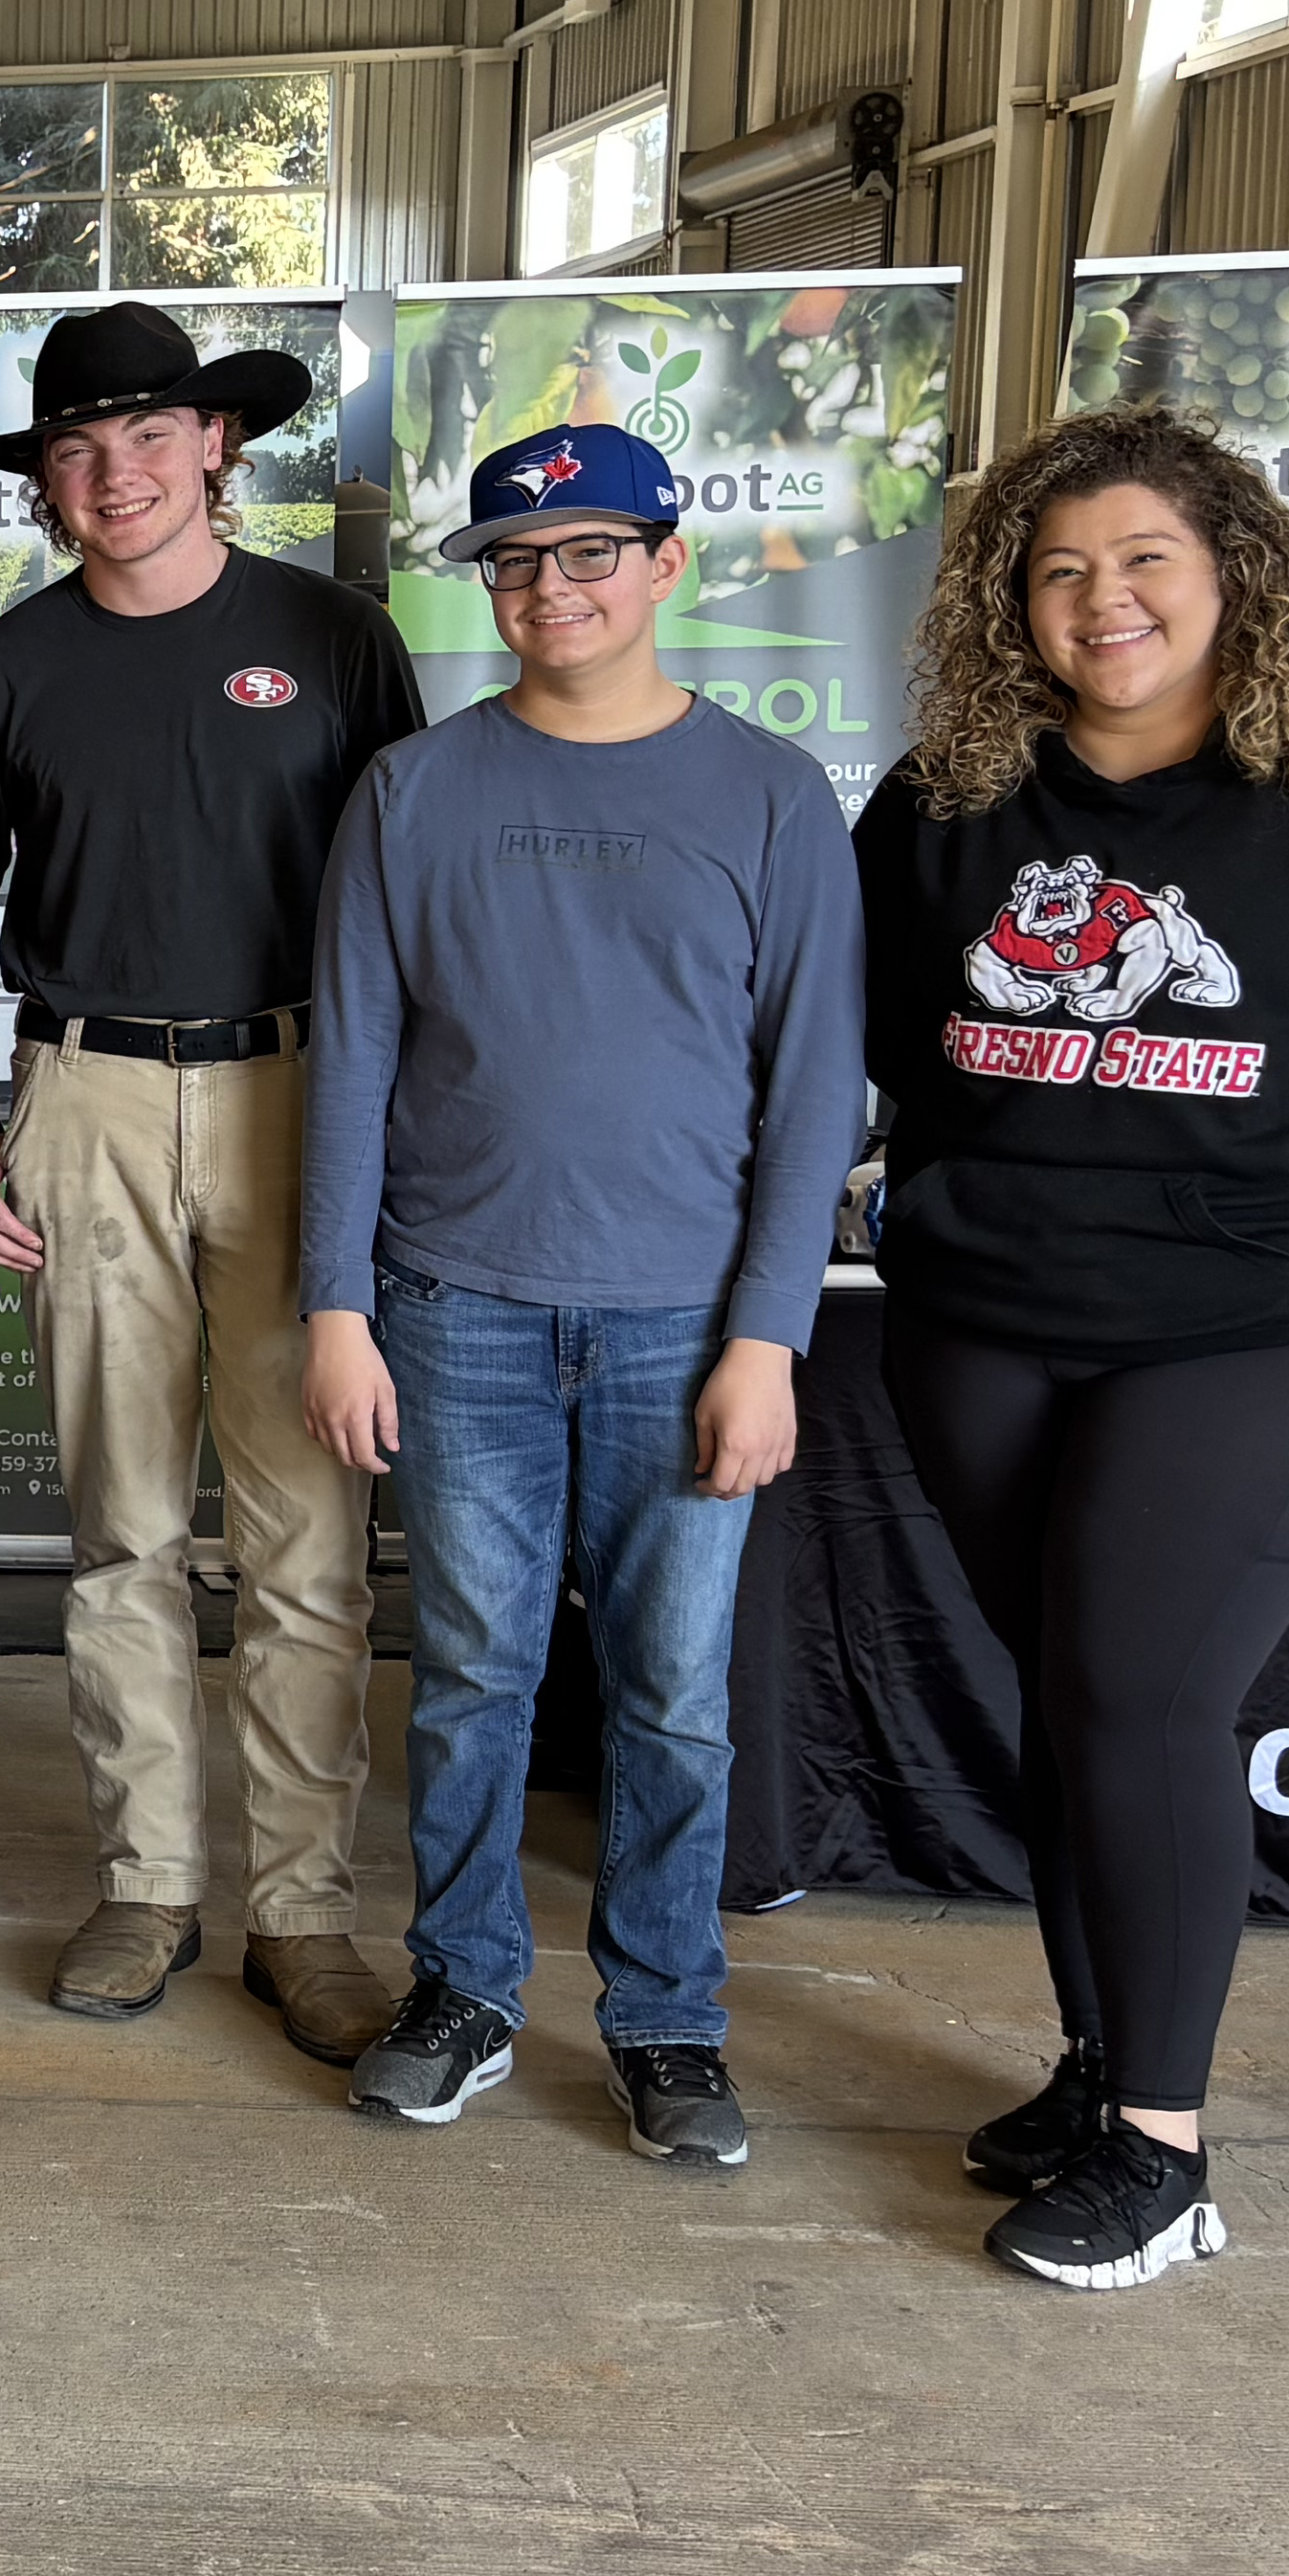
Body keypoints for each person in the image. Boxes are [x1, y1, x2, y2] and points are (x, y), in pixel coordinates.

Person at [854, 403, 1289, 2288]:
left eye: (1144, 560)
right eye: (1060, 567)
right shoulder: (949, 801)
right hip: (989, 1322)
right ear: (1013, 601)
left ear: (1235, 572)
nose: (1104, 600)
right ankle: (1099, 2069)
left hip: (1253, 1332)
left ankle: (1163, 2151)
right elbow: (907, 1039)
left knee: (1149, 1702)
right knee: (1076, 1703)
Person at [294, 427, 863, 2169]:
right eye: (521, 563)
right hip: (454, 1307)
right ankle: (463, 1985)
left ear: (669, 567)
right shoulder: (414, 792)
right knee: (467, 1670)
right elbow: (355, 1061)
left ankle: (668, 2023)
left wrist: (770, 1336)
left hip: (683, 1326)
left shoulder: (770, 797)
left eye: (592, 554)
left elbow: (817, 1084)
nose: (554, 589)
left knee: (671, 1689)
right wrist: (335, 1303)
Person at [0, 302, 422, 2054]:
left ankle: (305, 1913)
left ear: (219, 443)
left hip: (306, 1093)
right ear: (44, 482)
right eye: (76, 448)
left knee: (306, 1536)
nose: (113, 472)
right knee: (122, 1523)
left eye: (149, 436)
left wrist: (400, 1135)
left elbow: (405, 907)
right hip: (88, 1093)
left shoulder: (336, 642)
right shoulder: (6, 674)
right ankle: (147, 1882)